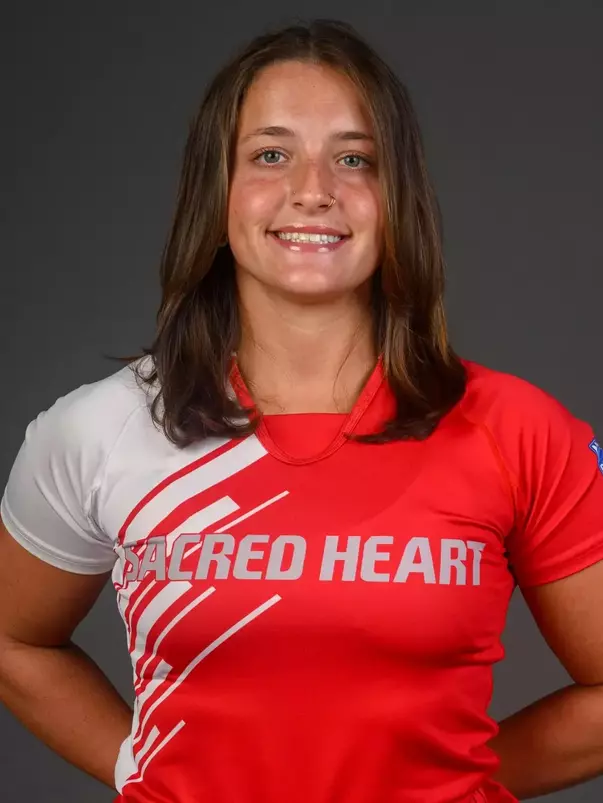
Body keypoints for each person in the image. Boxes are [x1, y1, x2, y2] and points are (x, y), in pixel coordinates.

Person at [0, 17, 602, 803]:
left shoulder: (518, 429)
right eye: (270, 155)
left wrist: (454, 783)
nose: (313, 189)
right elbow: (13, 640)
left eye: (354, 159)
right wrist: (148, 770)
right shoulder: (99, 429)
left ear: (397, 199)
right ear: (216, 192)